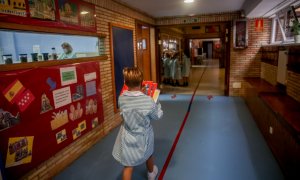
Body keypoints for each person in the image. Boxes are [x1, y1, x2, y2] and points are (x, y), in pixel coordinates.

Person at [112, 67, 163, 180]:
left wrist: (140, 94)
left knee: (128, 165)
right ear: (141, 82)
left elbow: (132, 103)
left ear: (125, 82)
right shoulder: (148, 100)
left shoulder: (121, 98)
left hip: (128, 135)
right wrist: (156, 102)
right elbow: (157, 115)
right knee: (148, 153)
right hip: (144, 135)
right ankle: (151, 173)